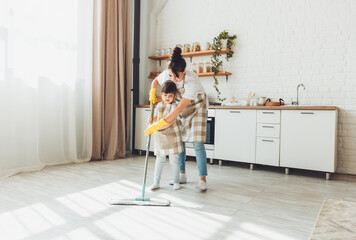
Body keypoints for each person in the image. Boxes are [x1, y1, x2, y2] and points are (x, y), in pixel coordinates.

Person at [145, 47, 208, 191]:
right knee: (180, 140)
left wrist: (161, 123)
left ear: (184, 71)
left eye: (176, 77)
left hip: (197, 107)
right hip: (180, 106)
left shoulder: (191, 80)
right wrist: (152, 92)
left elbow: (179, 108)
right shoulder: (169, 73)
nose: (173, 79)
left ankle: (202, 179)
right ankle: (182, 174)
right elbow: (155, 82)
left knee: (197, 143)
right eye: (170, 76)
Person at [148, 80, 183, 191]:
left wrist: (156, 127)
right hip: (161, 136)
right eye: (165, 95)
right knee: (160, 159)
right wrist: (151, 120)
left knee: (174, 160)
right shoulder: (158, 105)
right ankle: (156, 182)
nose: (167, 97)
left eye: (170, 95)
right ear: (161, 94)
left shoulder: (175, 106)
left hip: (172, 135)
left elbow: (170, 122)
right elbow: (156, 116)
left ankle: (176, 181)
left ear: (174, 96)